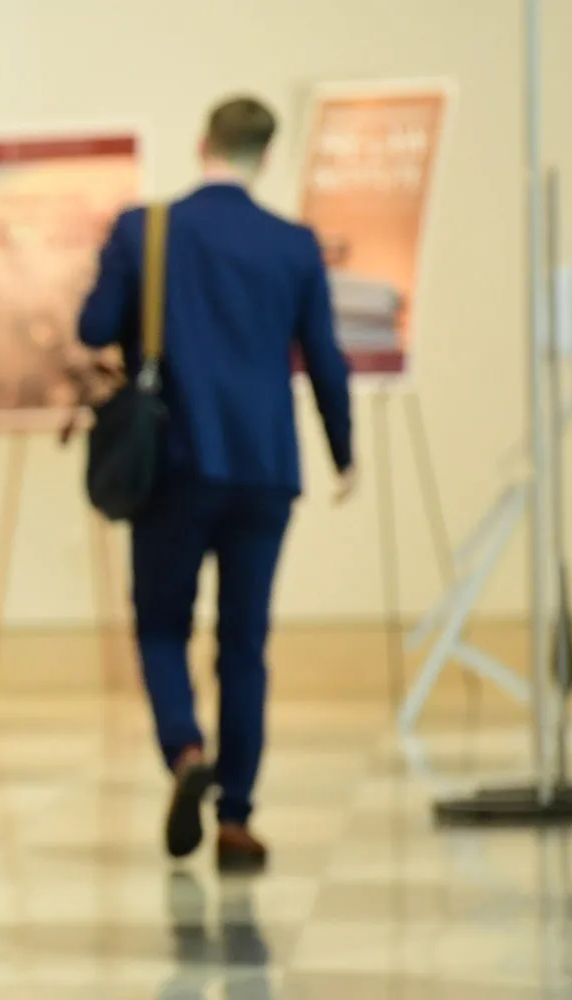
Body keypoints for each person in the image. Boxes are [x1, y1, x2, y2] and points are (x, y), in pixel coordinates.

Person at [75, 95, 354, 872]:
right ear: (265, 155)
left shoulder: (146, 229)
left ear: (203, 143)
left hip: (175, 464)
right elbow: (326, 359)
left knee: (163, 625)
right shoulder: (294, 244)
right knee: (245, 643)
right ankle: (236, 818)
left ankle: (185, 748)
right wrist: (343, 451)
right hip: (265, 469)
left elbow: (94, 328)